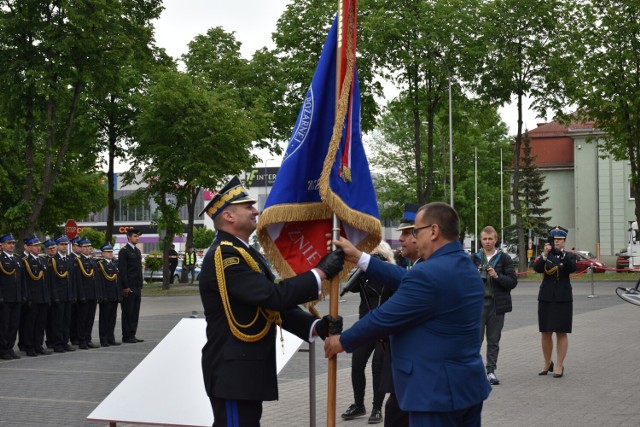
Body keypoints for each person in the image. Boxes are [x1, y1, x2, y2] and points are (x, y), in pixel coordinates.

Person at [326, 202, 492, 427]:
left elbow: (383, 318)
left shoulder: (429, 273)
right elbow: (405, 278)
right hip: (467, 389)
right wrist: (359, 257)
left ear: (433, 231)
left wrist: (342, 341)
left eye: (416, 232)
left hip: (435, 396)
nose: (414, 237)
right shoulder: (464, 265)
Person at [198, 176, 344, 427]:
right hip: (233, 373)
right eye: (248, 207)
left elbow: (268, 307)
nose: (256, 211)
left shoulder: (244, 251)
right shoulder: (226, 254)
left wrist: (314, 327)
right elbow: (271, 297)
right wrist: (319, 273)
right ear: (229, 217)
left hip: (244, 370)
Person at [341, 241, 395, 425]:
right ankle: (358, 404)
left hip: (383, 329)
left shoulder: (391, 275)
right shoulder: (363, 276)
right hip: (365, 326)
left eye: (376, 255)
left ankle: (377, 407)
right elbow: (351, 286)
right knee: (357, 365)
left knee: (378, 368)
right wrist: (361, 268)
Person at [471, 226, 518, 386]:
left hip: (497, 305)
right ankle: (474, 372)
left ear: (496, 239)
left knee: (493, 340)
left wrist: (496, 275)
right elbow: (466, 281)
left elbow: (512, 282)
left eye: (490, 239)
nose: (487, 242)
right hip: (478, 305)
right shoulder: (475, 258)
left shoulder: (504, 258)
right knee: (475, 340)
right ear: (481, 240)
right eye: (484, 239)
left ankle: (490, 371)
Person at [533, 226, 577, 378]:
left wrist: (562, 255)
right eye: (554, 239)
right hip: (546, 297)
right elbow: (537, 268)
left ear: (564, 241)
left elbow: (572, 268)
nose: (557, 242)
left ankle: (559, 365)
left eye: (559, 240)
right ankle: (547, 363)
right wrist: (545, 254)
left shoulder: (570, 256)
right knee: (545, 332)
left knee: (561, 331)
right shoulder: (546, 255)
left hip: (563, 298)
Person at [22, 236, 52, 357]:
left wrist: (48, 297)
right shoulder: (25, 261)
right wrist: (27, 297)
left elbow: (47, 282)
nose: (38, 248)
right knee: (30, 324)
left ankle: (38, 345)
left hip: (43, 298)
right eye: (35, 246)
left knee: (40, 324)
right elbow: (25, 282)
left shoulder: (43, 260)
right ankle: (29, 347)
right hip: (33, 298)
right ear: (29, 247)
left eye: (39, 245)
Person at [46, 237, 76, 353]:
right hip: (59, 296)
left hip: (68, 295)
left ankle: (65, 342)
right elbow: (51, 281)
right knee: (57, 322)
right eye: (62, 244)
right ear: (57, 246)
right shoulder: (53, 260)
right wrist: (55, 296)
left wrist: (73, 294)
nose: (64, 246)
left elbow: (71, 279)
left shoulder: (69, 259)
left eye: (66, 244)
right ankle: (57, 343)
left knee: (66, 321)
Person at [74, 238, 101, 349]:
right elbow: (78, 280)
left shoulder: (92, 261)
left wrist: (97, 293)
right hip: (84, 295)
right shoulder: (78, 261)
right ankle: (82, 341)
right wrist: (81, 295)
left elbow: (96, 279)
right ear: (80, 248)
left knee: (90, 319)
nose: (87, 249)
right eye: (84, 247)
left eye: (88, 247)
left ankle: (88, 338)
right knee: (82, 319)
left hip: (93, 295)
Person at [0, 234, 24, 360]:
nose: (11, 245)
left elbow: (22, 280)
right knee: (4, 325)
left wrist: (22, 296)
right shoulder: (1, 259)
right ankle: (3, 349)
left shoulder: (17, 259)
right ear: (2, 245)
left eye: (13, 243)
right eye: (8, 243)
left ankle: (10, 347)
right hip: (5, 298)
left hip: (16, 297)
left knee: (14, 325)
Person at [118, 228, 144, 343]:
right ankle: (126, 336)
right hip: (129, 286)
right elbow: (123, 270)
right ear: (128, 237)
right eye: (135, 236)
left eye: (138, 236)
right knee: (128, 312)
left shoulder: (137, 251)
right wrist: (125, 286)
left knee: (135, 312)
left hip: (137, 286)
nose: (137, 238)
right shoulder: (124, 251)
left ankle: (132, 334)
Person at [97, 244, 122, 347]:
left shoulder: (113, 264)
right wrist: (102, 296)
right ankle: (104, 339)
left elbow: (117, 281)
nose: (110, 253)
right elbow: (100, 282)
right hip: (106, 296)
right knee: (104, 318)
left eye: (111, 252)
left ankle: (110, 338)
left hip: (114, 296)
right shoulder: (100, 265)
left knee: (112, 318)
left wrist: (118, 295)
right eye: (108, 252)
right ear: (102, 253)